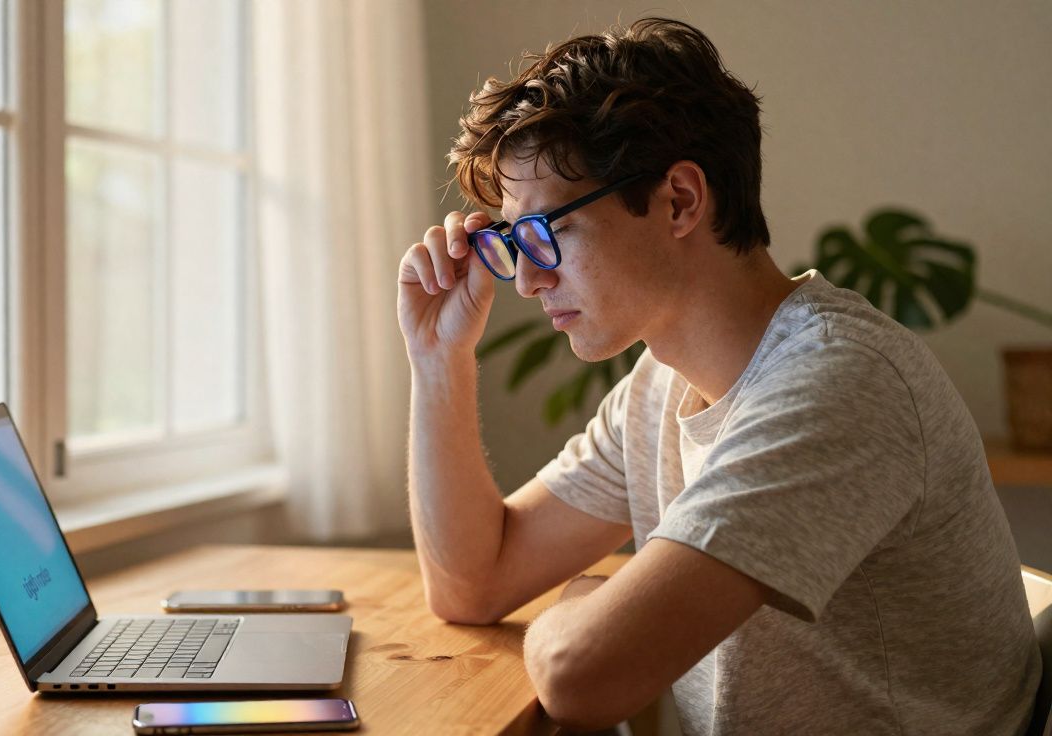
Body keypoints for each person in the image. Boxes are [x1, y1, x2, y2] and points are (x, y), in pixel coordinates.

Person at [396, 17, 1039, 735]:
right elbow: (473, 583)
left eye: (551, 229)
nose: (528, 280)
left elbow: (585, 678)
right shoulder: (659, 384)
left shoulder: (839, 384)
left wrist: (580, 598)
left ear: (680, 200)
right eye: (516, 242)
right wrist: (438, 361)